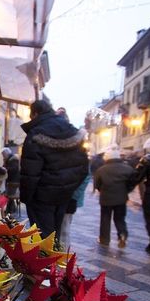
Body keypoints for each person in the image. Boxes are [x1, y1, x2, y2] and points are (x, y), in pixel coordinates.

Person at [19, 100, 89, 242]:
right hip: (63, 196)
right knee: (55, 236)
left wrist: (27, 198)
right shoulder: (71, 130)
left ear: (35, 113)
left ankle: (45, 257)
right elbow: (83, 168)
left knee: (42, 238)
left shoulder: (36, 133)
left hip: (41, 198)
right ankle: (53, 256)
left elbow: (30, 173)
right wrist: (69, 189)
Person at [94, 149, 135, 248]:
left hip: (106, 198)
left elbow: (97, 184)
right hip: (121, 198)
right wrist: (126, 190)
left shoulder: (101, 170)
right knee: (120, 218)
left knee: (105, 219)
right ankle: (122, 234)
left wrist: (102, 190)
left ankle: (104, 239)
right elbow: (132, 183)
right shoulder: (128, 169)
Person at [60, 174, 90, 250]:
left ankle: (63, 252)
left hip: (70, 199)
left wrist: (74, 197)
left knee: (64, 229)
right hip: (57, 197)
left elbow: (85, 177)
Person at [1, 147, 20, 215]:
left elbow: (13, 169)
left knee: (10, 195)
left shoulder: (13, 159)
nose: (3, 156)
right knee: (9, 195)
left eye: (3, 155)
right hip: (12, 180)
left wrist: (6, 169)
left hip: (13, 180)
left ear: (6, 154)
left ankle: (10, 210)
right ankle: (11, 209)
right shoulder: (9, 159)